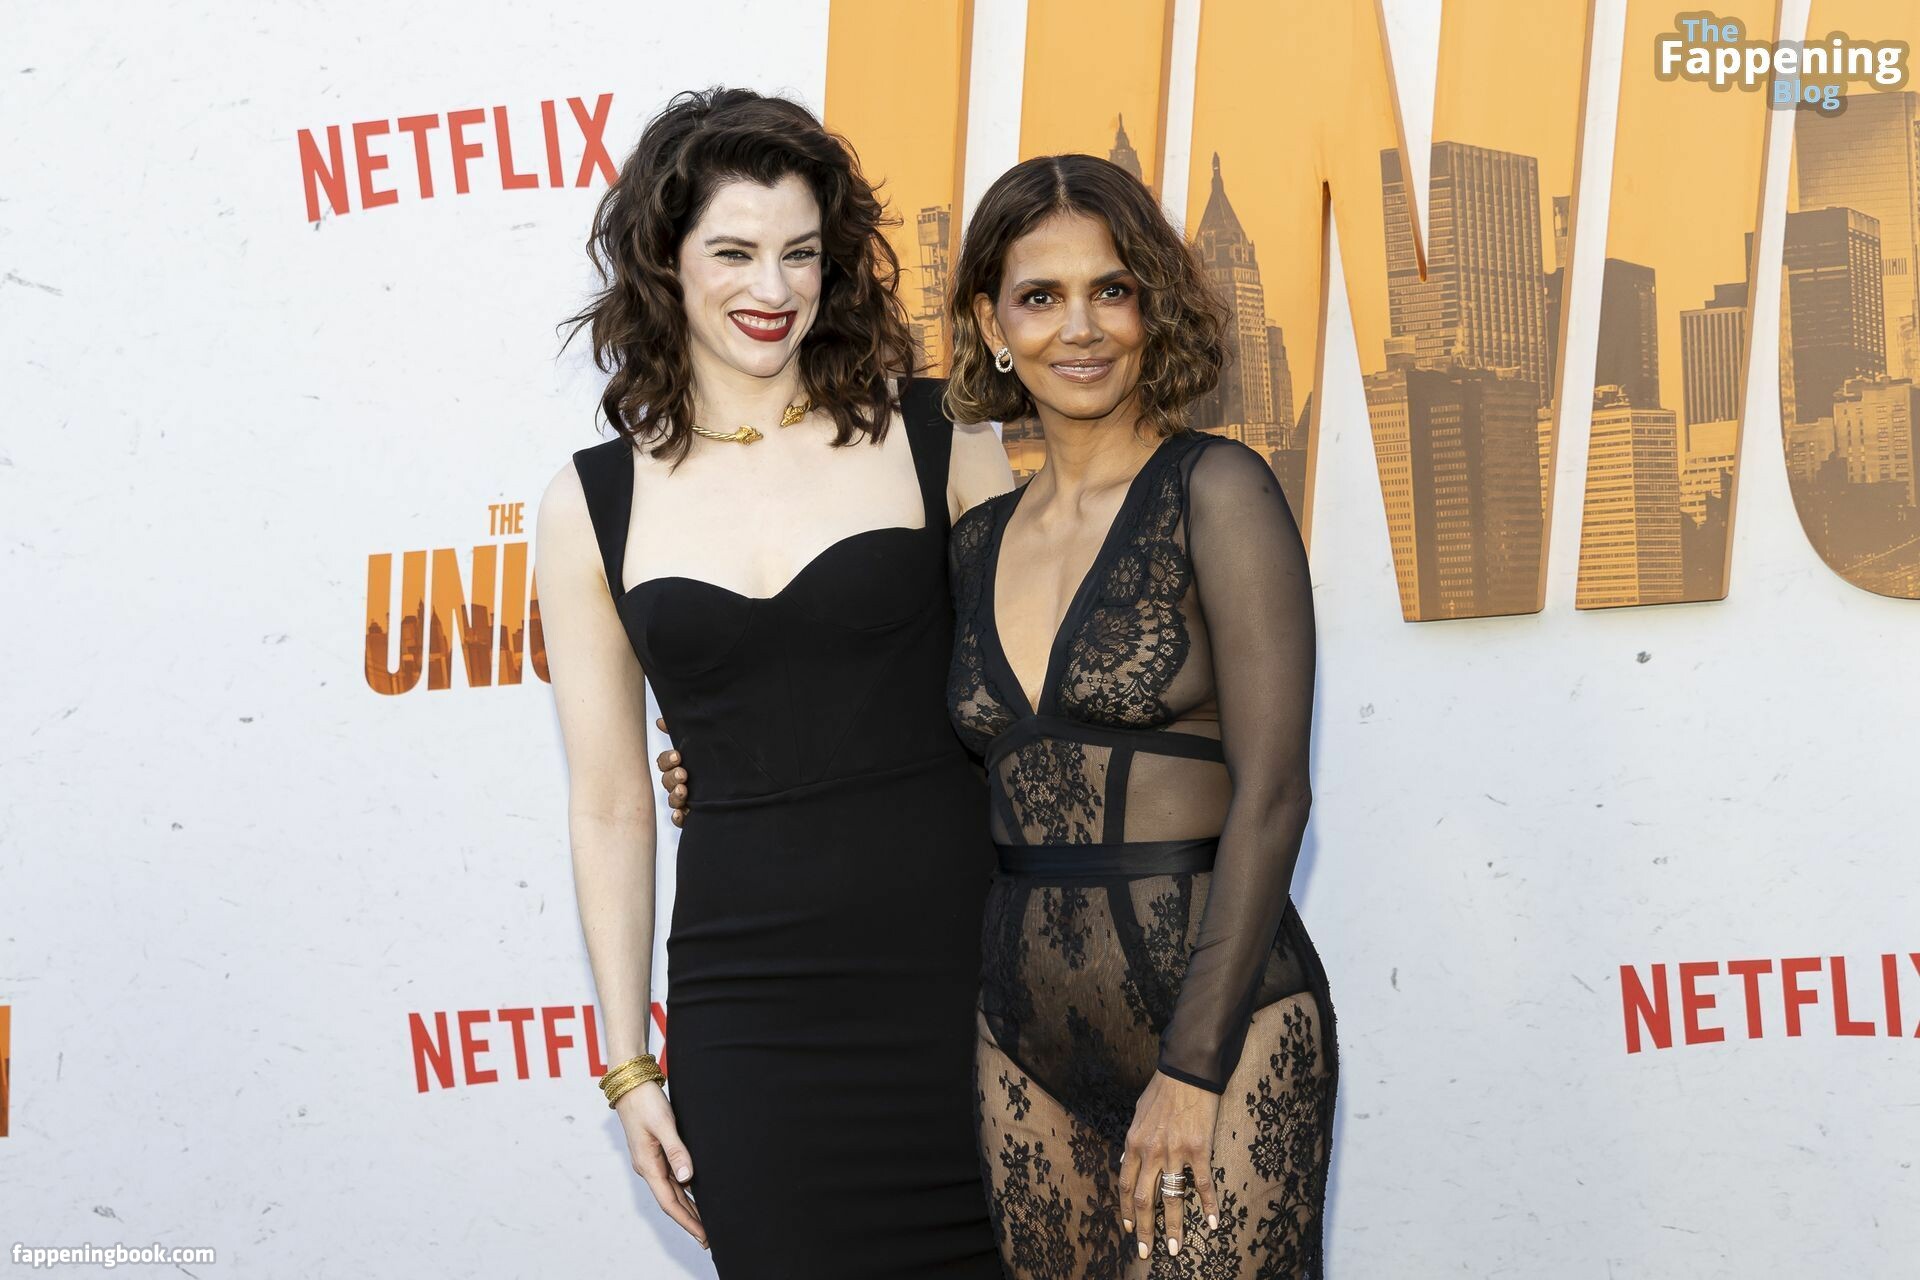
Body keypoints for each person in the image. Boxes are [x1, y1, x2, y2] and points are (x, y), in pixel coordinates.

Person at [667, 152, 1340, 1277]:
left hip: (1220, 1027)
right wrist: (718, 764)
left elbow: (1274, 796)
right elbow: (877, 713)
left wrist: (1191, 1069)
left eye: (1112, 290)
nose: (1080, 328)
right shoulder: (975, 540)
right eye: (1040, 296)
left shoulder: (1218, 490)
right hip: (1021, 1052)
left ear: (1152, 307)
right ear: (991, 323)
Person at [536, 86, 1011, 1279]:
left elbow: (1030, 711)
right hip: (751, 1015)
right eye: (735, 251)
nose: (775, 286)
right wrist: (629, 1066)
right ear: (666, 260)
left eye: (801, 251)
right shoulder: (591, 502)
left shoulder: (941, 435)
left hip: (966, 984)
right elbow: (609, 801)